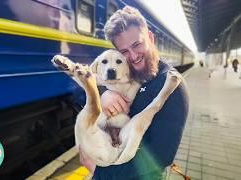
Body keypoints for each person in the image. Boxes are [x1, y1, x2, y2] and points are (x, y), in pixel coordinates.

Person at [80, 6, 189, 179]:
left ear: (151, 38)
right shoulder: (130, 76)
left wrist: (100, 172)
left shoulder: (172, 86)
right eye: (124, 51)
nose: (133, 56)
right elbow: (85, 94)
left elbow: (162, 155)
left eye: (137, 44)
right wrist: (103, 95)